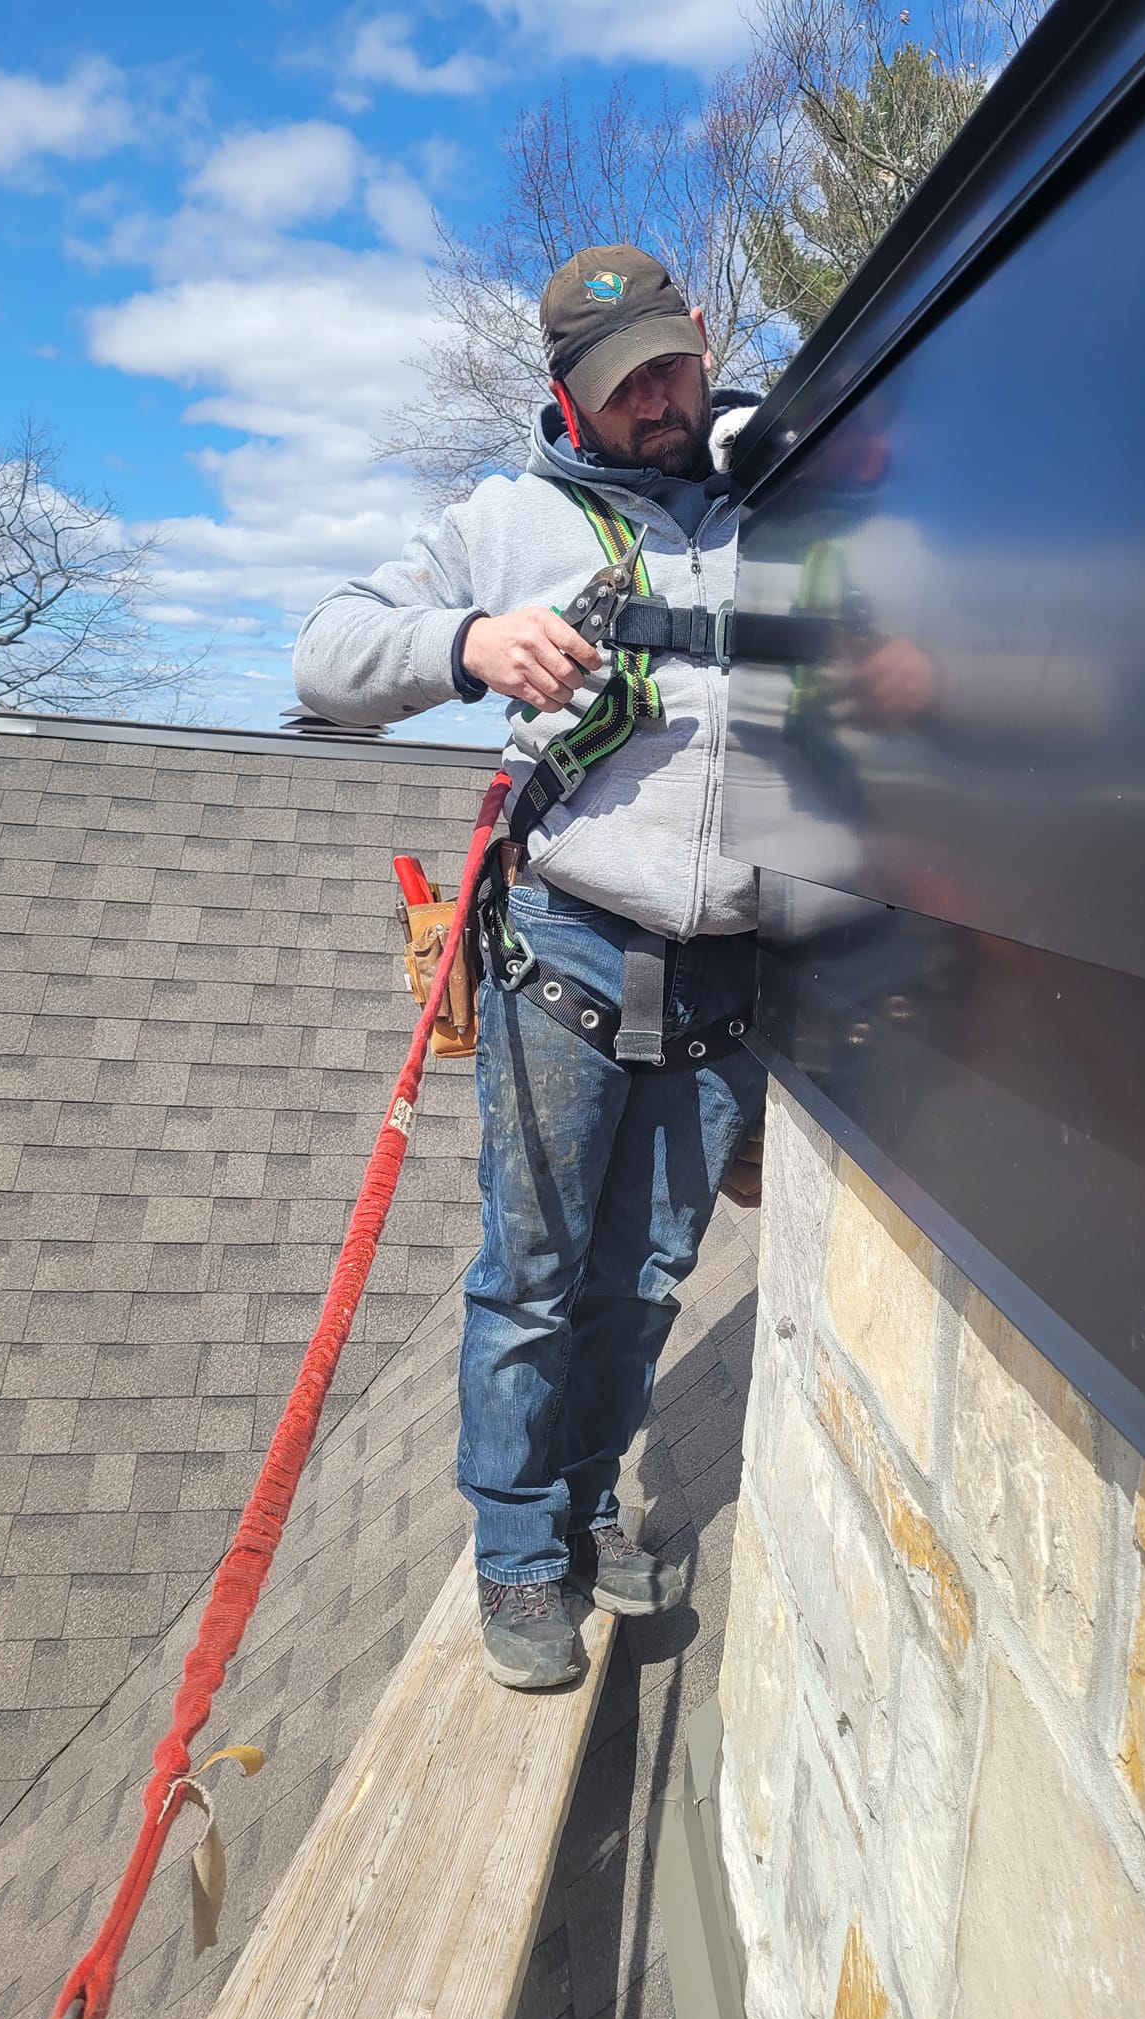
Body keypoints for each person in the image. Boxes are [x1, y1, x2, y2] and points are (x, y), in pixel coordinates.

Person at [294, 244, 766, 1689]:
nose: (665, 400)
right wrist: (467, 641)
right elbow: (327, 658)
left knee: (644, 1278)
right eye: (630, 386)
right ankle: (514, 1552)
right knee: (537, 1275)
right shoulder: (509, 517)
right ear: (571, 399)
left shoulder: (783, 504)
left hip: (733, 969)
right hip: (562, 947)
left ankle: (572, 1505)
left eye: (677, 363)